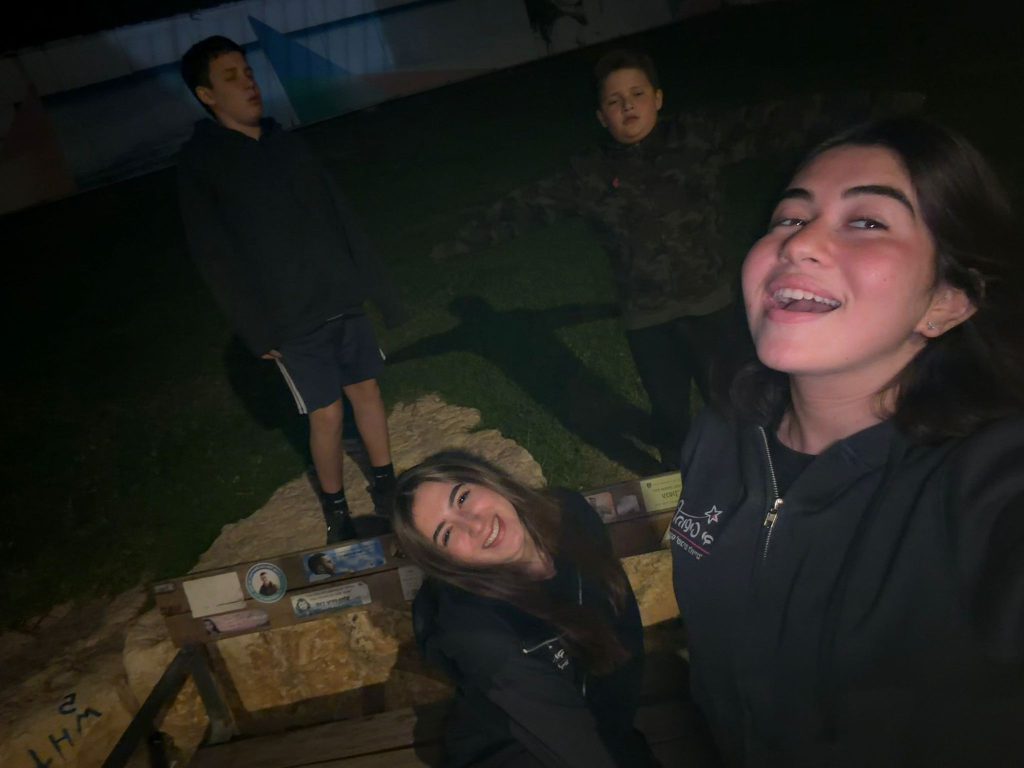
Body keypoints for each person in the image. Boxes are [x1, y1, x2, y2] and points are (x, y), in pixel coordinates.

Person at [669, 116, 1024, 765]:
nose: (800, 243)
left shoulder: (989, 488)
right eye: (787, 217)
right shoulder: (721, 434)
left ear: (947, 301)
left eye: (866, 222)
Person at [431, 48, 920, 470]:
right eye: (615, 101)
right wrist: (454, 244)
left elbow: (778, 120)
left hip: (711, 305)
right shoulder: (590, 173)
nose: (628, 107)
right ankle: (679, 483)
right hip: (648, 320)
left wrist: (885, 107)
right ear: (602, 116)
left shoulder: (695, 138)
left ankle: (763, 471)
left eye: (637, 94)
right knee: (669, 415)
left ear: (658, 98)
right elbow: (526, 206)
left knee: (741, 399)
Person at [177, 36, 406, 543]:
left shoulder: (285, 142)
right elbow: (215, 257)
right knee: (326, 415)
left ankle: (388, 487)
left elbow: (338, 211)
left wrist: (374, 286)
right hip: (291, 316)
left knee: (367, 391)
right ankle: (336, 511)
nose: (248, 83)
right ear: (207, 95)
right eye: (231, 77)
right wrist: (256, 329)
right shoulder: (203, 164)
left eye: (248, 72)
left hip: (339, 296)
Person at [393, 451, 656, 767]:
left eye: (462, 498)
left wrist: (621, 733)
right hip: (521, 749)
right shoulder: (476, 632)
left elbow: (621, 625)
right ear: (446, 562)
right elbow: (573, 744)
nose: (474, 525)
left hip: (601, 726)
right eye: (447, 534)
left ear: (488, 480)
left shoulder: (569, 515)